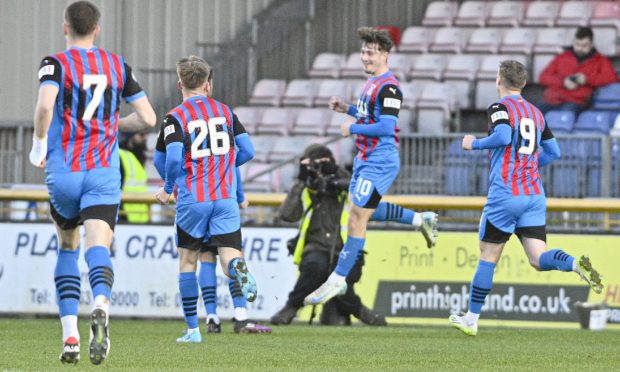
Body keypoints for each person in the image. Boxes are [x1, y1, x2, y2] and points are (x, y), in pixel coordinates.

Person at [29, 1, 156, 365]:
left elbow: (44, 106)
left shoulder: (55, 63)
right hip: (102, 171)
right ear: (97, 29)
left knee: (67, 247)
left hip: (63, 170)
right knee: (97, 246)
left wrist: (38, 146)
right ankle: (100, 302)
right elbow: (147, 117)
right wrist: (111, 125)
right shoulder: (118, 66)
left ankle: (70, 336)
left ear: (65, 27)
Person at [449, 60, 604, 337]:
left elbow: (503, 135)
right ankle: (573, 264)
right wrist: (530, 167)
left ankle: (471, 319)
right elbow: (554, 151)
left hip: (505, 195)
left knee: (488, 255)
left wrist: (474, 144)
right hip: (533, 195)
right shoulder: (536, 113)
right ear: (522, 83)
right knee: (538, 258)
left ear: (499, 79)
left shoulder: (499, 108)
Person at [304, 27, 439, 306]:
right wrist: (349, 109)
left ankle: (338, 279)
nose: (365, 56)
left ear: (385, 54)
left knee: (356, 216)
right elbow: (370, 115)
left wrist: (352, 127)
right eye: (363, 51)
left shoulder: (390, 87)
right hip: (365, 159)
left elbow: (387, 127)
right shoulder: (371, 83)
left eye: (371, 52)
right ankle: (420, 219)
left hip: (380, 159)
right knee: (364, 211)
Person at [154, 55, 257, 343]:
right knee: (230, 257)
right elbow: (248, 151)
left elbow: (169, 158)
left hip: (193, 200)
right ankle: (237, 269)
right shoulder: (225, 112)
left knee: (188, 262)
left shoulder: (174, 118)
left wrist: (169, 187)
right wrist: (226, 163)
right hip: (225, 198)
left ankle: (193, 330)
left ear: (180, 84)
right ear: (208, 85)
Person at [270, 144, 388, 326]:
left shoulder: (348, 184)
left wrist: (336, 174)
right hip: (316, 246)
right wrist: (302, 181)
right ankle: (358, 311)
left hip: (346, 248)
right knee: (316, 266)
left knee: (337, 277)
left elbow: (364, 193)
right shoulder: (307, 187)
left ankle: (355, 310)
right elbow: (287, 215)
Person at [539, 27, 618, 114]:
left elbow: (612, 78)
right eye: (577, 44)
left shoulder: (600, 60)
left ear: (591, 44)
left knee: (563, 118)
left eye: (584, 45)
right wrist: (563, 82)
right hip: (552, 99)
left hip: (576, 101)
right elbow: (543, 76)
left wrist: (586, 79)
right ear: (574, 42)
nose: (580, 48)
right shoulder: (562, 57)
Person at [119, 131, 149, 223]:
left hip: (140, 214)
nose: (145, 138)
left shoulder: (140, 155)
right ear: (131, 136)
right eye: (141, 134)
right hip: (124, 215)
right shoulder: (120, 155)